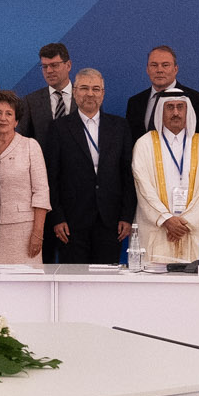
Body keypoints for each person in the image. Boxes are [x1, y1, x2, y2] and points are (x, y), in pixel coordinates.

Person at [44, 67, 135, 265]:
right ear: (75, 92)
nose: (90, 94)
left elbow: (128, 175)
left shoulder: (119, 127)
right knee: (73, 279)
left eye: (96, 89)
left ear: (103, 93)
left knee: (106, 279)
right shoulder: (59, 128)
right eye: (84, 88)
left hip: (111, 221)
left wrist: (127, 216)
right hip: (71, 223)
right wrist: (57, 218)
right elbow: (51, 177)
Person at [132, 96, 199, 264]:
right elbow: (143, 189)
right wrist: (166, 219)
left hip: (192, 231)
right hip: (159, 231)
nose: (175, 113)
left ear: (188, 112)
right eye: (170, 107)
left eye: (180, 107)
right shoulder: (144, 144)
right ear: (160, 112)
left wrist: (184, 224)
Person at [0, 91, 50, 264]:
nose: (3, 118)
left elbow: (41, 192)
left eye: (9, 114)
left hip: (25, 231)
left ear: (16, 120)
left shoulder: (30, 146)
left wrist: (38, 233)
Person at [124, 45, 199, 137]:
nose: (159, 70)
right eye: (154, 65)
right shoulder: (135, 103)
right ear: (147, 69)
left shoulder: (196, 100)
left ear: (175, 69)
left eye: (165, 65)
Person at [23, 43, 73, 143]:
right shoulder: (31, 102)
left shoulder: (86, 97)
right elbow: (23, 141)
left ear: (68, 65)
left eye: (54, 65)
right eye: (44, 66)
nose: (49, 71)